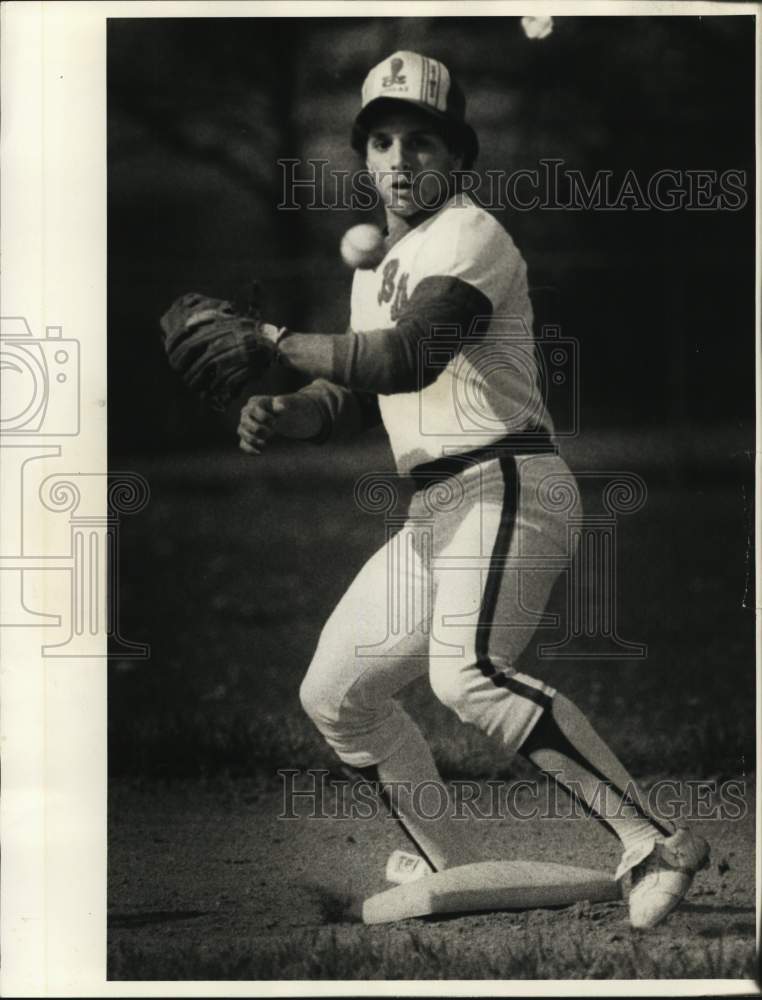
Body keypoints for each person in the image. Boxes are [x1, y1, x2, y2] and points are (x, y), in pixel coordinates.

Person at [237, 50, 709, 928]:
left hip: (509, 484)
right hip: (437, 510)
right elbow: (353, 395)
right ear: (365, 156)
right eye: (382, 140)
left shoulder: (472, 234)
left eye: (421, 140)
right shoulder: (375, 267)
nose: (400, 158)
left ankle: (655, 841)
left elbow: (407, 356)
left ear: (457, 156)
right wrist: (285, 411)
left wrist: (272, 338)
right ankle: (444, 865)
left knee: (467, 673)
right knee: (336, 695)